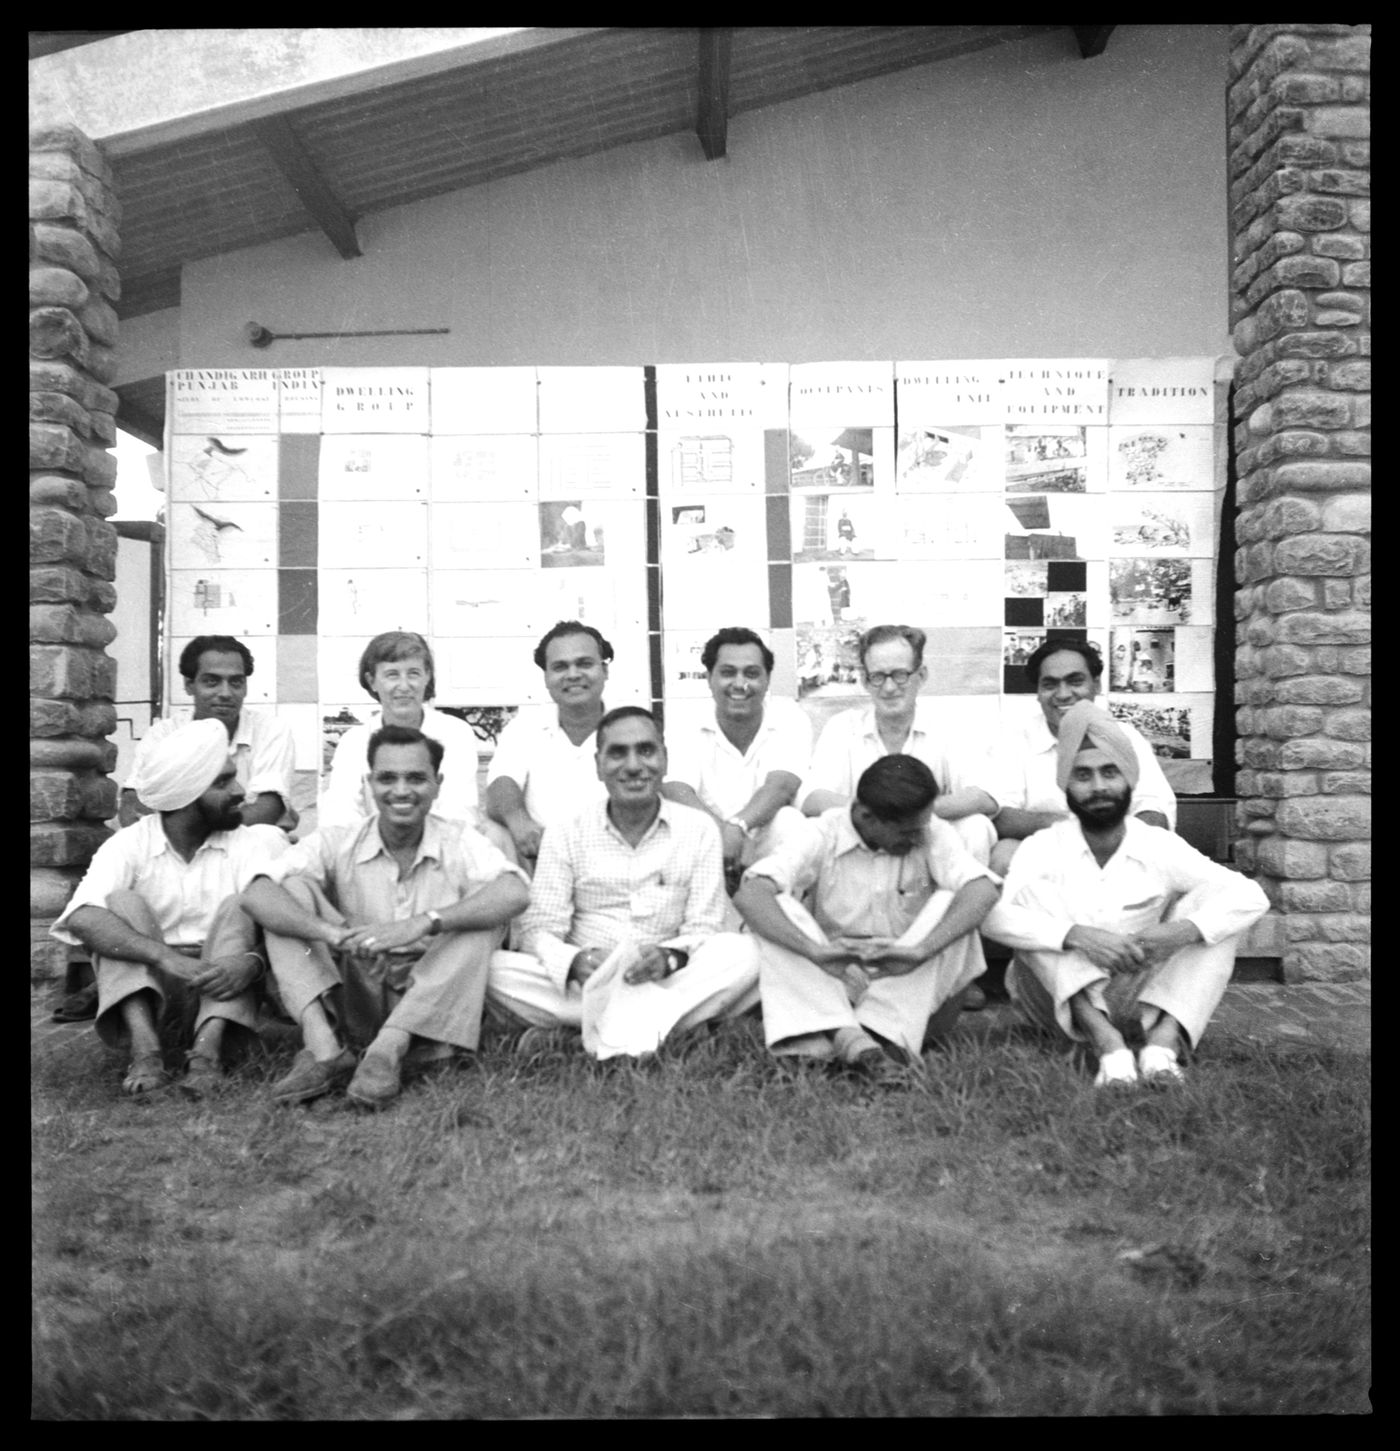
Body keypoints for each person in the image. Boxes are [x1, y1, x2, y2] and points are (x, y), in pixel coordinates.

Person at [242, 726, 530, 1110]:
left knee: (483, 913)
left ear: (437, 784)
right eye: (387, 778)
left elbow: (515, 892)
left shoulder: (461, 839)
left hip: (432, 993)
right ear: (369, 784)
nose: (401, 791)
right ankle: (323, 1046)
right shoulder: (337, 839)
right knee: (290, 891)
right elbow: (255, 893)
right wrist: (329, 932)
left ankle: (388, 1049)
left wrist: (426, 921)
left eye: (415, 778)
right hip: (357, 987)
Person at [982, 703, 1268, 1087]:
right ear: (1065, 785)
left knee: (1215, 911)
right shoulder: (1042, 847)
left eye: (1109, 772)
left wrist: (1180, 931)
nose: (1098, 787)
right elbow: (992, 916)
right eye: (1083, 775)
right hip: (1053, 1000)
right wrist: (1076, 936)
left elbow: (1251, 896)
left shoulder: (1158, 845)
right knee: (1034, 905)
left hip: (1137, 990)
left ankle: (1162, 1048)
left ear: (1129, 782)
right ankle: (1106, 1043)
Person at [487, 707, 760, 1060]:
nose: (633, 766)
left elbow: (703, 926)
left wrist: (670, 957)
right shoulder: (565, 831)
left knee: (745, 954)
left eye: (646, 750)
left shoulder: (699, 829)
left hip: (663, 976)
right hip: (587, 978)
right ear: (598, 765)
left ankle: (581, 1035)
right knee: (496, 971)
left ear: (664, 759)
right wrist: (575, 962)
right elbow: (540, 928)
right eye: (618, 753)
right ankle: (668, 1031)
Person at [50, 719, 288, 1096]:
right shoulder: (129, 845)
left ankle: (206, 1056)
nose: (241, 792)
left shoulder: (252, 844)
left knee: (240, 905)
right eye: (224, 782)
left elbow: (285, 927)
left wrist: (251, 962)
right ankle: (145, 1053)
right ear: (189, 794)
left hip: (222, 993)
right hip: (149, 997)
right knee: (118, 908)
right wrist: (164, 958)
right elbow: (81, 917)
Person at [735, 755, 1000, 1079]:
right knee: (776, 905)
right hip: (835, 977)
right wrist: (814, 951)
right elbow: (750, 895)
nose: (918, 838)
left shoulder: (931, 830)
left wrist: (920, 951)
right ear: (865, 815)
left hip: (909, 982)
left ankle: (850, 1039)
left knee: (953, 902)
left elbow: (984, 890)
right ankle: (860, 1045)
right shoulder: (822, 831)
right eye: (907, 832)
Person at [799, 625, 1000, 866]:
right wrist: (879, 818)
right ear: (864, 680)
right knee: (810, 829)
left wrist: (910, 816)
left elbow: (984, 796)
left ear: (921, 675)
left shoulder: (950, 725)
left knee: (976, 827)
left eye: (900, 675)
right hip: (863, 842)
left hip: (927, 839)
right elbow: (812, 798)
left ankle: (960, 903)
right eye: (878, 676)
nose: (889, 687)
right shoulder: (842, 727)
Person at [988, 639, 1175, 875]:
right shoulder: (1013, 741)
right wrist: (1078, 830)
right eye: (1050, 684)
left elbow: (1154, 809)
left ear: (1096, 684)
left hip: (1119, 851)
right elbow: (1000, 814)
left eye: (1075, 681)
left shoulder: (1125, 736)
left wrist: (1111, 841)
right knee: (1005, 855)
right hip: (1044, 851)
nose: (1063, 694)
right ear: (1037, 691)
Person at [319, 631, 510, 853]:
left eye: (413, 673)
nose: (404, 685)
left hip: (443, 850)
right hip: (370, 850)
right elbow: (339, 814)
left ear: (427, 676)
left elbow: (458, 810)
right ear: (372, 681)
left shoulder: (455, 733)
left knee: (496, 838)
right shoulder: (354, 741)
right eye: (392, 675)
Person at [661, 626, 811, 892]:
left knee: (791, 822)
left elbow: (782, 785)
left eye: (751, 674)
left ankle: (780, 912)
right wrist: (722, 834)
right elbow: (677, 789)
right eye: (728, 673)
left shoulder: (789, 716)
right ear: (709, 678)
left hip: (764, 840)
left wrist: (738, 827)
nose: (740, 684)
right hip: (706, 838)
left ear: (767, 680)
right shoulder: (685, 720)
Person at [123, 634, 296, 830]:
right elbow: (133, 802)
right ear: (189, 685)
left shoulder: (270, 730)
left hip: (247, 844)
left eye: (236, 682)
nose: (225, 693)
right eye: (212, 682)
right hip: (178, 848)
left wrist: (192, 835)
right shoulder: (163, 733)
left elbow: (268, 808)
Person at [484, 621, 612, 870]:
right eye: (560, 667)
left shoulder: (631, 727)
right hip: (543, 863)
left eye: (584, 663)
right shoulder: (523, 729)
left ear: (605, 671)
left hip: (618, 863)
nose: (573, 674)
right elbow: (501, 784)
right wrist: (518, 820)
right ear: (546, 677)